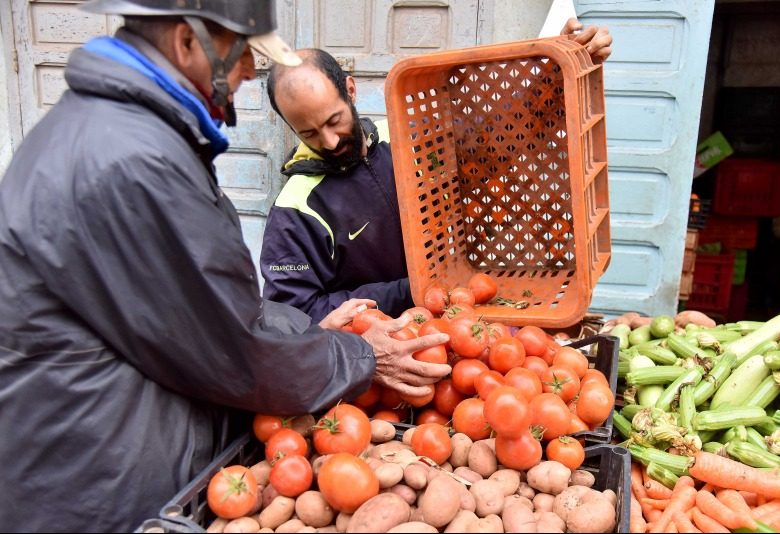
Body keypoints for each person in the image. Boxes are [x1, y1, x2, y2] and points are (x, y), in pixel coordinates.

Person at [0, 1, 450, 531]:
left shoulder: (108, 133)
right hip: (95, 482)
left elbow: (194, 315)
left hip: (85, 451)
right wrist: (359, 353)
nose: (245, 74)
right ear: (189, 42)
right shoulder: (134, 161)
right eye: (242, 54)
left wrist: (307, 331)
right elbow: (235, 347)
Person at [260, 19, 613, 323]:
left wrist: (553, 72)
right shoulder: (295, 210)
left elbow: (492, 143)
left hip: (460, 322)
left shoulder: (402, 138)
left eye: (334, 120)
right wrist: (409, 292)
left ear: (350, 90)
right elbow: (294, 314)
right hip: (384, 354)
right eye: (308, 133)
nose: (330, 140)